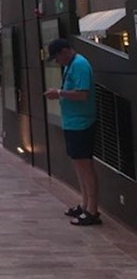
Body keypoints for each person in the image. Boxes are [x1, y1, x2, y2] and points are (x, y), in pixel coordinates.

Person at [44, 38, 100, 226]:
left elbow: (83, 94)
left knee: (85, 165)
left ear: (65, 51)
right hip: (73, 122)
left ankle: (92, 209)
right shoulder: (71, 65)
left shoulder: (80, 65)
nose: (58, 62)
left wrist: (59, 93)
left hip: (82, 123)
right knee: (78, 164)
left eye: (58, 57)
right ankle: (85, 204)